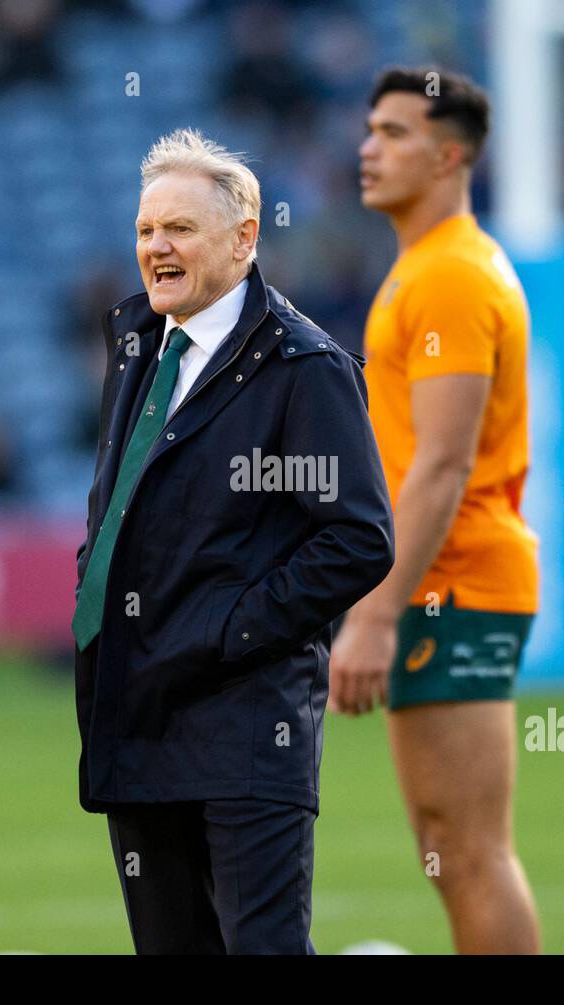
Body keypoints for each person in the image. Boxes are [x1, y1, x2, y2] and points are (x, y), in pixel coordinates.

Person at [72, 129, 393, 955]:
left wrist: (226, 631)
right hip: (136, 712)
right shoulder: (139, 344)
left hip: (247, 726)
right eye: (145, 231)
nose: (155, 248)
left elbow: (356, 539)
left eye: (178, 228)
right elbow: (113, 511)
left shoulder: (304, 367)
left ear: (244, 237)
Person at [331, 66, 542, 954]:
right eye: (370, 128)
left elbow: (446, 463)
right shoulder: (430, 266)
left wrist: (377, 615)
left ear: (451, 155)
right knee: (447, 846)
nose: (368, 148)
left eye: (396, 132)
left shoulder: (452, 275)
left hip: (453, 584)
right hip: (442, 583)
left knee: (468, 848)